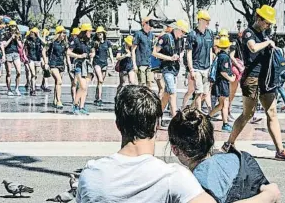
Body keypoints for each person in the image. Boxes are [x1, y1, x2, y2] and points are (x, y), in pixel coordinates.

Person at [77, 85, 239, 203]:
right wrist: (264, 196)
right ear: (156, 125)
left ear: (118, 125)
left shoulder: (91, 175)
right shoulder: (172, 177)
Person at [223, 5, 285, 161]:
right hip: (252, 78)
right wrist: (268, 43)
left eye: (270, 23)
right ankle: (229, 143)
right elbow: (252, 47)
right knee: (247, 114)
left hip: (266, 78)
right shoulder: (248, 32)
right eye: (267, 22)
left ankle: (280, 150)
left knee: (272, 113)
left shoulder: (264, 34)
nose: (268, 25)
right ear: (259, 18)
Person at [169, 107, 281, 203]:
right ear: (210, 139)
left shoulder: (190, 189)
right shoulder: (244, 160)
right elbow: (270, 192)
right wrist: (268, 196)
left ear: (175, 149)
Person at [152, 20, 188, 126]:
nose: (183, 34)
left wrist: (180, 56)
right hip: (166, 68)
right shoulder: (166, 37)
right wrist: (169, 58)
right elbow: (154, 52)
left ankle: (158, 116)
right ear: (177, 29)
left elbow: (181, 51)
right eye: (182, 31)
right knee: (172, 92)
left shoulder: (181, 40)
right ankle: (175, 120)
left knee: (167, 94)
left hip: (175, 69)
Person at [185, 10, 215, 111]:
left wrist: (211, 67)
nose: (208, 23)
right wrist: (191, 69)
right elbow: (188, 53)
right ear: (200, 20)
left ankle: (189, 109)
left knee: (206, 93)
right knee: (199, 92)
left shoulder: (210, 34)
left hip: (206, 68)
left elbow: (211, 50)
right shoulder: (192, 34)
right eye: (206, 20)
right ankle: (198, 112)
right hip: (196, 68)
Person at [208, 36, 235, 132]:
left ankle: (225, 123)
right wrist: (231, 78)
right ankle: (209, 118)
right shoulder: (225, 57)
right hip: (222, 83)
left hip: (219, 83)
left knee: (224, 104)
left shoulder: (219, 56)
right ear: (227, 47)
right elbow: (223, 72)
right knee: (223, 104)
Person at [67, 23, 95, 115]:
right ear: (84, 31)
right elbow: (68, 52)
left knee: (85, 87)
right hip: (79, 64)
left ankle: (82, 106)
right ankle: (75, 104)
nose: (91, 32)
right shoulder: (76, 40)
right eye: (89, 31)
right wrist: (79, 56)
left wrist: (92, 54)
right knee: (82, 86)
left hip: (87, 65)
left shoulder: (90, 41)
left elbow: (93, 51)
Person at [43, 26, 69, 109]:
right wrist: (46, 62)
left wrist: (68, 64)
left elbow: (67, 54)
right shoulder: (52, 42)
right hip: (53, 64)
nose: (64, 34)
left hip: (61, 64)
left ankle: (55, 100)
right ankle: (59, 101)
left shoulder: (64, 43)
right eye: (62, 33)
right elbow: (43, 51)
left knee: (57, 83)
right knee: (59, 81)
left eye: (64, 33)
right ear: (58, 33)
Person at [92, 26, 114, 107]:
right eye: (98, 33)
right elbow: (93, 52)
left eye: (100, 33)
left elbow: (110, 53)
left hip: (104, 63)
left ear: (103, 34)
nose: (99, 35)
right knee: (100, 80)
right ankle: (100, 98)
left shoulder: (107, 42)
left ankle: (97, 97)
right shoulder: (95, 43)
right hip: (97, 63)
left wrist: (112, 62)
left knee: (100, 82)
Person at [132, 17, 154, 88]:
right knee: (142, 85)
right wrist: (134, 64)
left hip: (149, 63)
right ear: (144, 24)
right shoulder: (138, 34)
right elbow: (133, 50)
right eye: (149, 25)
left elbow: (152, 50)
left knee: (150, 84)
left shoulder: (151, 35)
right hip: (141, 63)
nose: (151, 27)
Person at [2, 20, 23, 96]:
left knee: (19, 71)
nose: (13, 27)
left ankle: (17, 88)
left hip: (16, 53)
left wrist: (17, 39)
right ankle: (9, 89)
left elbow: (21, 46)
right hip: (8, 53)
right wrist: (11, 38)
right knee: (9, 73)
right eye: (12, 26)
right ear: (9, 27)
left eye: (14, 26)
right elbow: (4, 45)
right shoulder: (5, 34)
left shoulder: (18, 34)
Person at [24, 27, 46, 96]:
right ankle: (33, 89)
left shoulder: (39, 40)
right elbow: (24, 50)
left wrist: (39, 36)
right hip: (30, 58)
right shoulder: (27, 40)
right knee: (33, 74)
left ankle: (32, 87)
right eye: (31, 32)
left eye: (33, 32)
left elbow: (45, 44)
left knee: (35, 75)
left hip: (38, 59)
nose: (31, 33)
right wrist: (25, 57)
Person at [67, 27, 80, 103]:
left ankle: (77, 99)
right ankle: (74, 99)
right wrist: (69, 64)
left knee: (78, 83)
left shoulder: (80, 42)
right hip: (72, 64)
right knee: (74, 82)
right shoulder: (71, 43)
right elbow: (67, 54)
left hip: (78, 64)